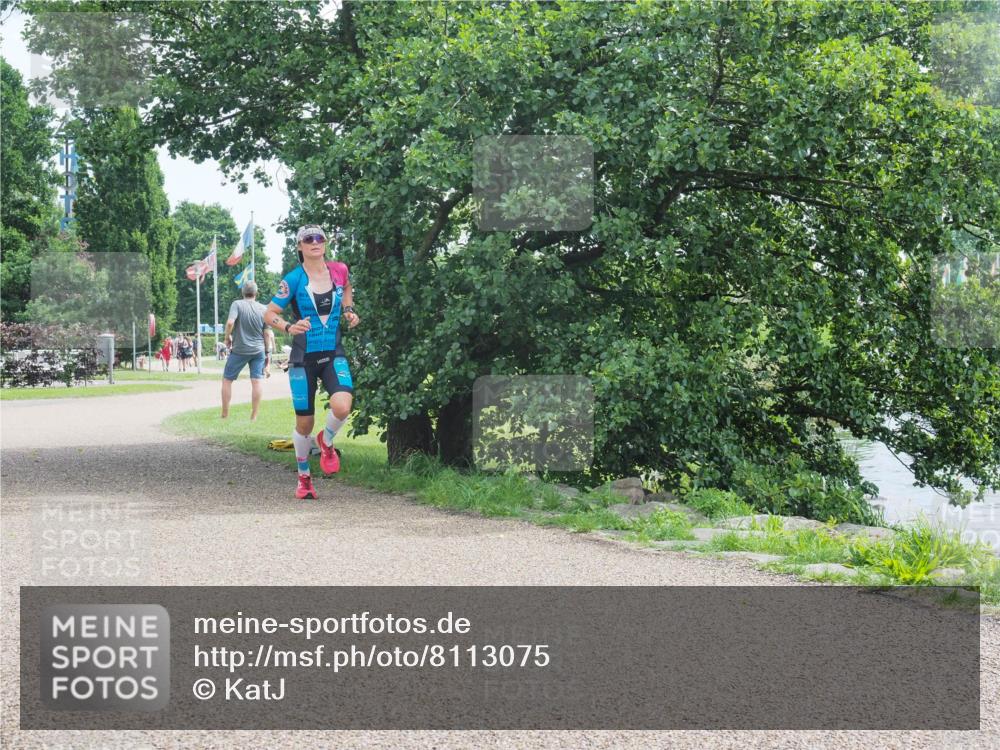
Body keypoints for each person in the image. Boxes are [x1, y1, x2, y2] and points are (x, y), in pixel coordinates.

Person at [265, 224, 360, 500]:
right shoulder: (293, 279)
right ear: (300, 246)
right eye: (308, 239)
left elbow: (347, 288)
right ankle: (304, 478)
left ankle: (327, 440)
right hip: (302, 359)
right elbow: (269, 313)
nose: (315, 242)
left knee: (342, 406)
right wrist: (287, 327)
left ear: (326, 243)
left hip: (333, 352)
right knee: (304, 424)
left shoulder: (340, 270)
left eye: (319, 238)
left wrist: (349, 311)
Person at [221, 281, 270, 421]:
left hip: (239, 350)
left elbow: (230, 322)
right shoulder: (264, 308)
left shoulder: (237, 304)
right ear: (256, 293)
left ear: (242, 293)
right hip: (258, 350)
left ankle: (225, 414)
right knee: (257, 382)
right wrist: (267, 352)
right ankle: (254, 416)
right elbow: (266, 333)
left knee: (227, 380)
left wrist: (226, 338)